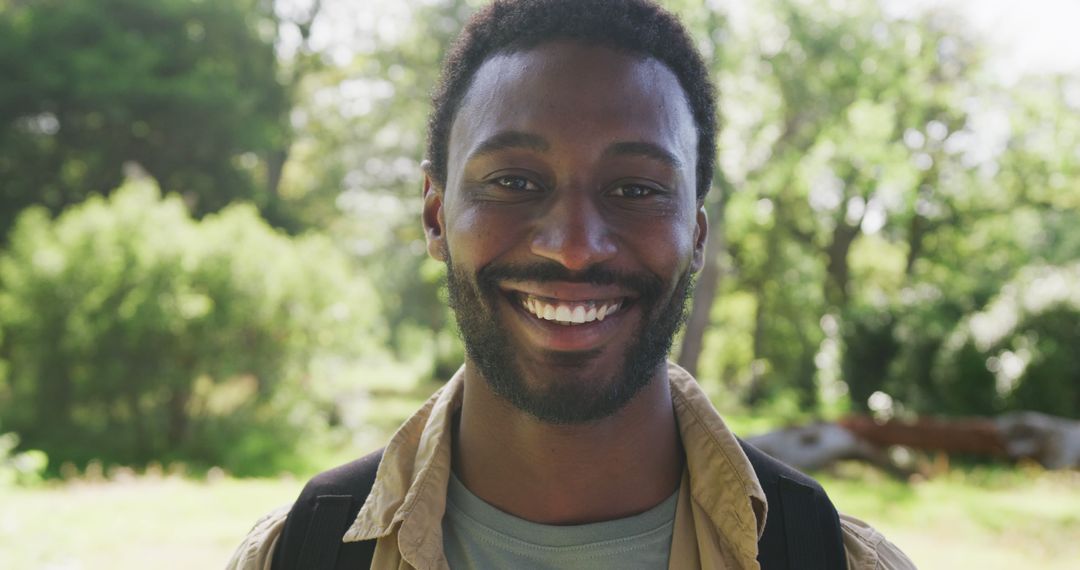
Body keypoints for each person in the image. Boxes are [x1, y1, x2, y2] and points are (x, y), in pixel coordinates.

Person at [229, 0, 916, 568]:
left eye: (636, 188)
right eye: (515, 182)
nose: (575, 248)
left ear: (697, 237)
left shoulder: (837, 560)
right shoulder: (299, 554)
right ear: (436, 217)